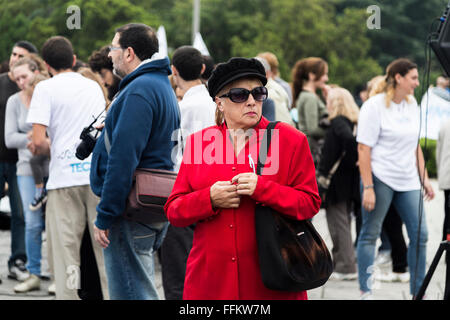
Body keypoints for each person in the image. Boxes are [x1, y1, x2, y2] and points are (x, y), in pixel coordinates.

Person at [164, 57, 321, 299]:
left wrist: (264, 189)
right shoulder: (199, 143)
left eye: (258, 93)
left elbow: (309, 204)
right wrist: (209, 199)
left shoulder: (289, 140)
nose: (251, 102)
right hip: (211, 284)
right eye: (239, 95)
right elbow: (174, 211)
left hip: (272, 282)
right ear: (220, 103)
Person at [90, 23, 179, 300]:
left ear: (129, 53)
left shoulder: (140, 90)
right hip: (145, 206)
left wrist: (106, 214)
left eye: (113, 48)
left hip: (129, 211)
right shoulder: (156, 84)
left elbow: (123, 159)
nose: (110, 55)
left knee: (132, 292)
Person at [26, 36, 109, 300]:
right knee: (104, 250)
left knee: (66, 255)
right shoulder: (93, 86)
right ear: (74, 60)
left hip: (63, 179)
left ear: (47, 65)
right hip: (94, 175)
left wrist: (53, 144)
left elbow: (38, 141)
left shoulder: (45, 89)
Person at [356, 58, 435, 300]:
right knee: (370, 233)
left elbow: (415, 146)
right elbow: (363, 148)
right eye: (413, 77)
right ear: (398, 78)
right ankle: (366, 290)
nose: (417, 83)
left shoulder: (413, 105)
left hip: (408, 179)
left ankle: (417, 292)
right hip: (380, 176)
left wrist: (424, 178)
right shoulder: (374, 105)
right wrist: (368, 187)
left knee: (420, 235)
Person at [161, 46, 215, 300]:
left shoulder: (181, 108)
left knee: (177, 266)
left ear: (174, 71)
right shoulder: (215, 102)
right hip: (212, 187)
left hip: (184, 188)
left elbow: (174, 152)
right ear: (203, 69)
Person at [5, 57, 49, 292]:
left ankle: (56, 271)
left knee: (54, 222)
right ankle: (33, 271)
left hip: (52, 167)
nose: (21, 82)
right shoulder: (14, 101)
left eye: (25, 77)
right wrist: (35, 139)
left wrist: (40, 141)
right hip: (25, 168)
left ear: (36, 72)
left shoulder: (47, 93)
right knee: (32, 222)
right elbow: (9, 138)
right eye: (17, 78)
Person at [0, 40, 38, 284]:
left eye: (20, 55)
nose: (14, 58)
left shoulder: (35, 89)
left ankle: (18, 261)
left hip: (21, 161)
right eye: (13, 54)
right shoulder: (2, 81)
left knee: (21, 214)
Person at [318, 87, 359, 281]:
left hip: (337, 180)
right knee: (343, 221)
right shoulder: (351, 122)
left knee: (338, 222)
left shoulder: (338, 123)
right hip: (347, 180)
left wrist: (350, 160)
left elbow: (349, 142)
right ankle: (342, 261)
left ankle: (345, 265)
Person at [291, 57, 330, 167]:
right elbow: (312, 129)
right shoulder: (309, 98)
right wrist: (331, 132)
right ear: (312, 75)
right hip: (312, 151)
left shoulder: (307, 96)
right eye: (324, 74)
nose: (326, 78)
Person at [255, 56, 294, 127]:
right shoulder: (278, 88)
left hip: (280, 135)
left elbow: (271, 128)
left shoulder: (268, 94)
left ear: (268, 73)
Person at [436, 119, 450, 300]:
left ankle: (445, 251)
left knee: (448, 216)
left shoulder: (445, 123)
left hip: (447, 177)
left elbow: (439, 152)